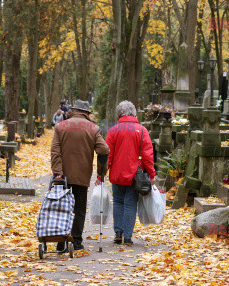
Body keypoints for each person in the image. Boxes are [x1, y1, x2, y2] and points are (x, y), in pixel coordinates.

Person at [51, 99, 110, 250]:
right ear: (87, 113)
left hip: (62, 176)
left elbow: (55, 152)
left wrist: (58, 172)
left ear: (73, 111)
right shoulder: (93, 128)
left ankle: (61, 241)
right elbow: (104, 149)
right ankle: (77, 241)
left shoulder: (60, 126)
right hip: (82, 175)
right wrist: (101, 173)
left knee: (62, 206)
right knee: (79, 209)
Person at [101, 100, 155, 246]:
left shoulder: (113, 130)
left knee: (118, 202)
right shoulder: (142, 130)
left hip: (117, 174)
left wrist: (101, 174)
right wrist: (151, 174)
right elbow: (147, 155)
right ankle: (128, 236)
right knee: (130, 205)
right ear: (133, 113)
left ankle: (118, 232)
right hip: (134, 175)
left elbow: (107, 155)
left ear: (119, 113)